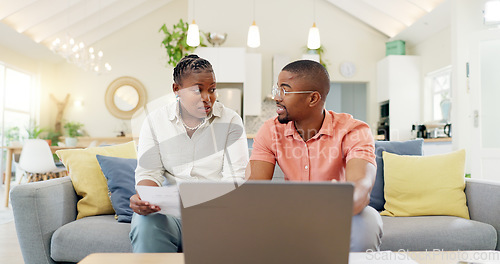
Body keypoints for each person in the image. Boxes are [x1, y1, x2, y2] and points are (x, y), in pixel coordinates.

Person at [246, 59, 382, 252]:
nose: (277, 97)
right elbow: (252, 192)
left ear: (313, 99)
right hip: (289, 211)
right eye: (277, 89)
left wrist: (333, 205)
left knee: (369, 219)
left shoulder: (354, 130)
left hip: (339, 210)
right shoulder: (270, 131)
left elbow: (362, 187)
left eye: (285, 90)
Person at [129, 54, 249, 253]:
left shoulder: (231, 121)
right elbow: (148, 174)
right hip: (169, 215)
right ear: (177, 89)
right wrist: (145, 199)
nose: (207, 98)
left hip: (217, 213)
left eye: (212, 89)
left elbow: (235, 179)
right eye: (197, 90)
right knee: (146, 223)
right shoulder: (154, 121)